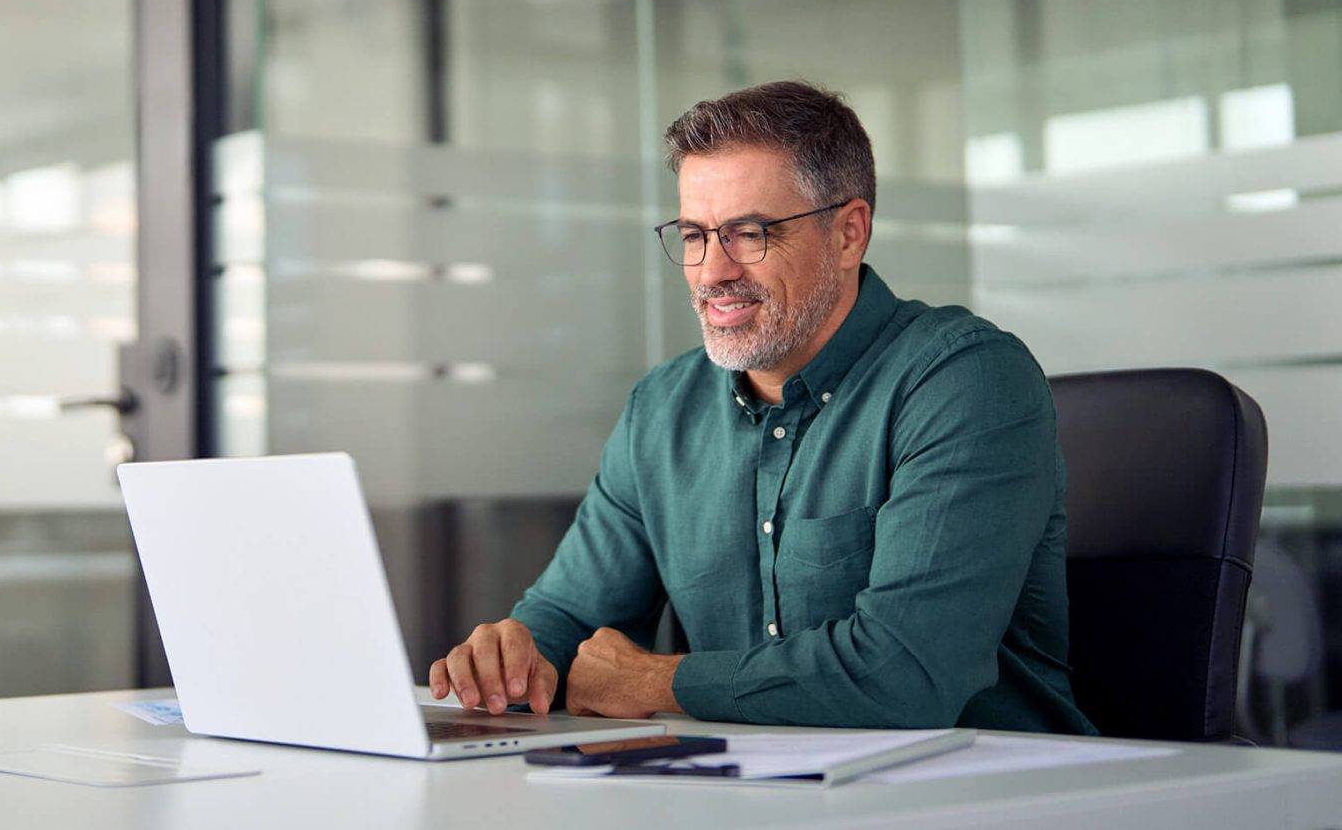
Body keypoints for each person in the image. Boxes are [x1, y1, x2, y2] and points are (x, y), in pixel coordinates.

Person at [428, 81, 1096, 734]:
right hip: (755, 794)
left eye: (750, 233)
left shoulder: (964, 380)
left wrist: (658, 682)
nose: (713, 271)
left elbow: (906, 674)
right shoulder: (661, 410)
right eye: (694, 235)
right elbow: (569, 626)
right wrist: (512, 658)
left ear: (848, 233)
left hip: (981, 795)